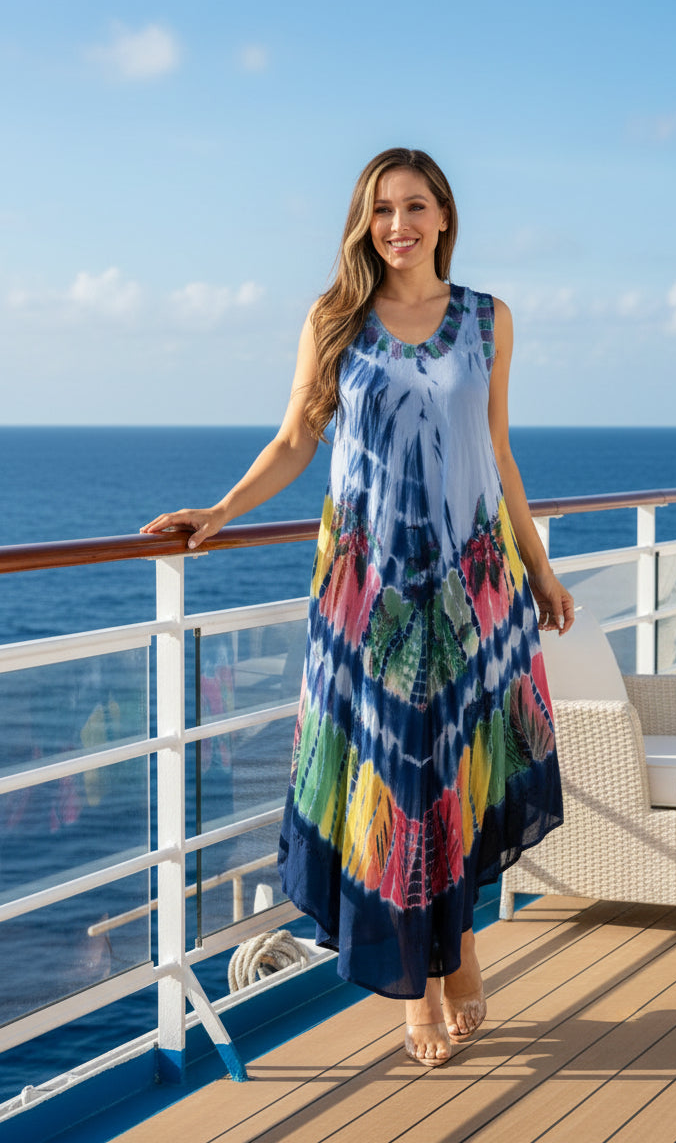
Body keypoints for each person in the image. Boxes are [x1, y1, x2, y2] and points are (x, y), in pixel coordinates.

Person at [141, 148, 574, 1068]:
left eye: (415, 206)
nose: (398, 224)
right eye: (381, 209)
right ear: (364, 222)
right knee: (392, 787)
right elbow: (298, 435)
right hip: (367, 596)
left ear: (445, 217)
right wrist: (219, 511)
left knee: (455, 781)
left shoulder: (487, 321)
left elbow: (498, 455)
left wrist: (539, 569)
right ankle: (415, 983)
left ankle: (456, 956)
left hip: (470, 585)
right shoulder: (335, 319)